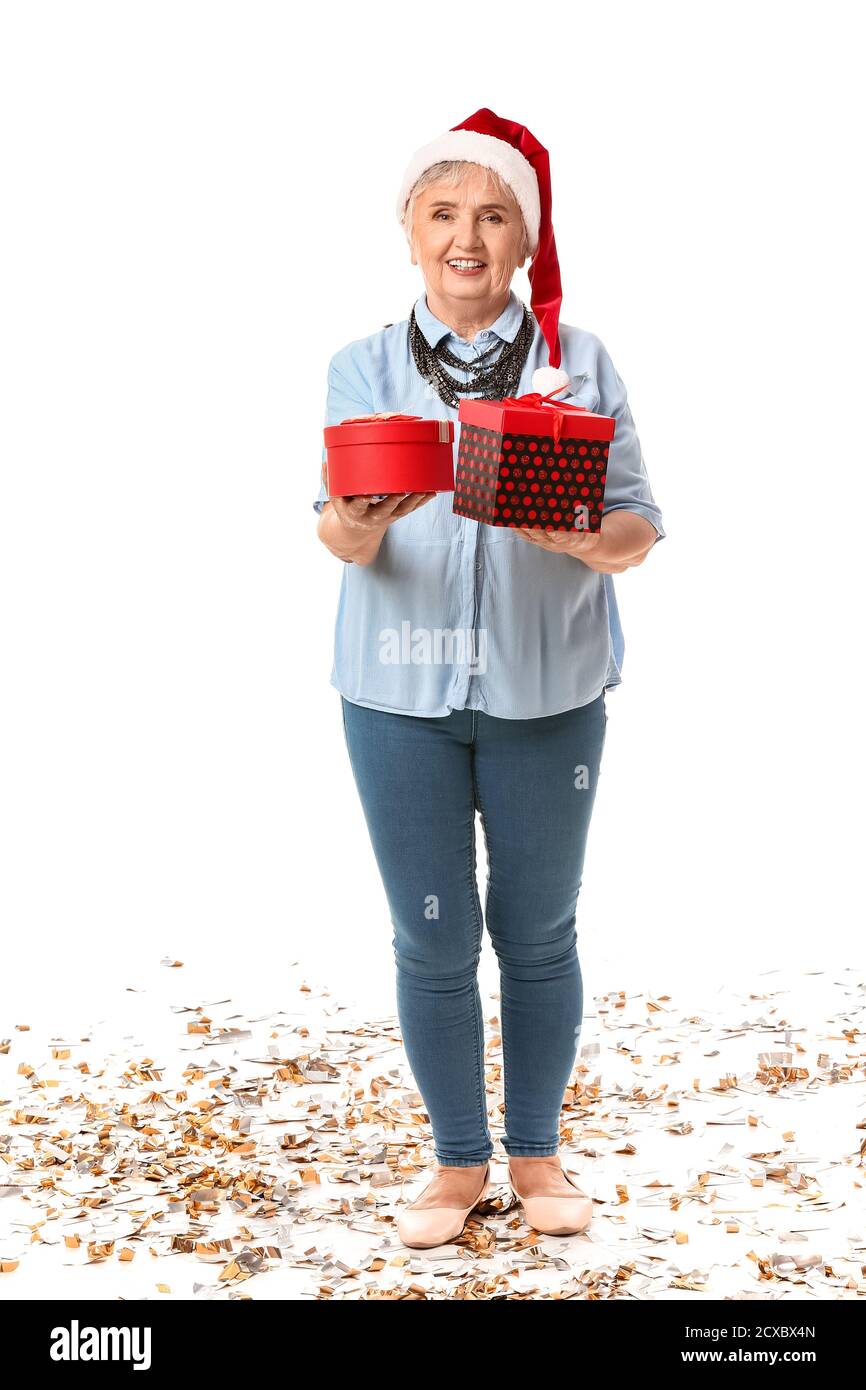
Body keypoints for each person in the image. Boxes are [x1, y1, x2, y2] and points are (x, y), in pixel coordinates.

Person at [314, 109, 666, 1249]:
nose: (467, 237)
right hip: (395, 700)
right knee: (430, 936)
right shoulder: (360, 366)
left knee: (538, 931)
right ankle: (457, 1161)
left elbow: (636, 529)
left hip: (546, 692)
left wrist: (580, 542)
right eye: (443, 213)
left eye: (493, 216)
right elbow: (338, 535)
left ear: (524, 242)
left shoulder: (580, 365)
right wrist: (358, 526)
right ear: (409, 232)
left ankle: (535, 1151)